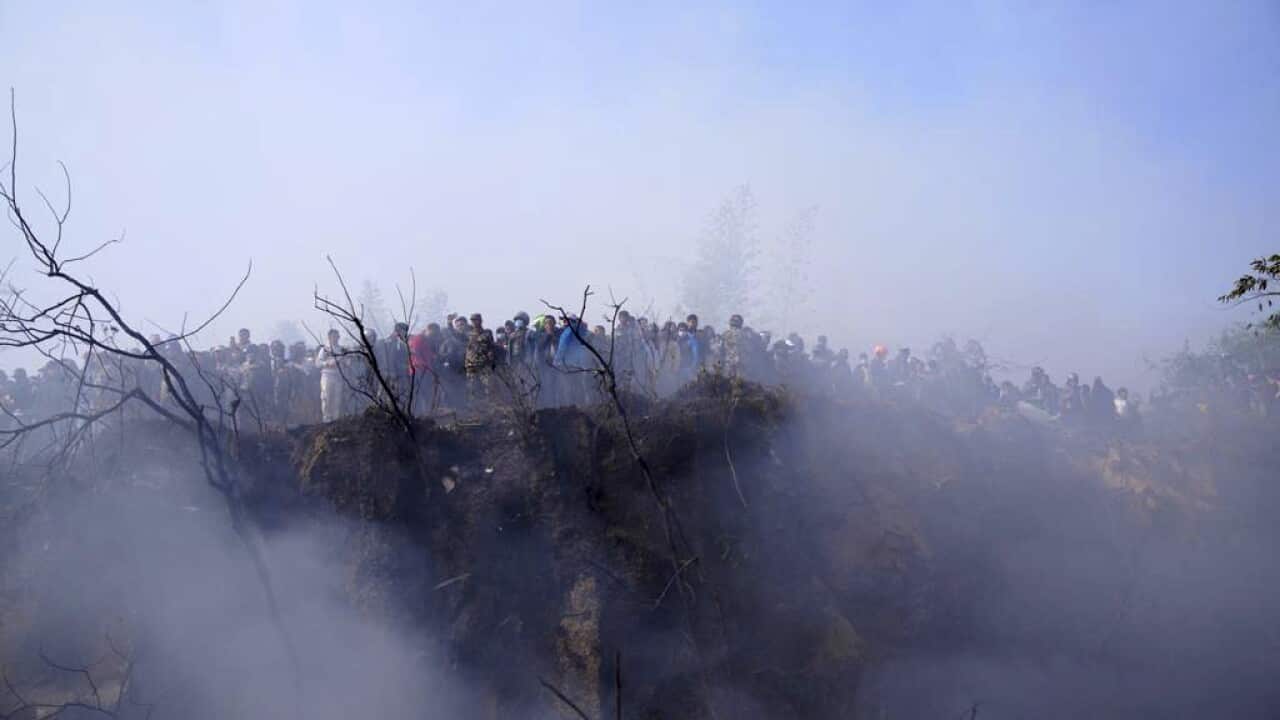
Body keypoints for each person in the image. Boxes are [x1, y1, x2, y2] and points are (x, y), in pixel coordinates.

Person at [464, 313, 497, 405]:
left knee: (489, 385)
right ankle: (473, 405)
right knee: (472, 386)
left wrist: (491, 359)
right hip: (471, 364)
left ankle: (490, 404)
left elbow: (491, 347)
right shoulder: (468, 334)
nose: (474, 322)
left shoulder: (487, 333)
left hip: (484, 363)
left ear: (480, 321)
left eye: (476, 320)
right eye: (472, 320)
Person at [316, 329, 346, 422]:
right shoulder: (325, 350)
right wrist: (327, 364)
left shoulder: (341, 349)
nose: (335, 338)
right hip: (327, 376)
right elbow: (318, 363)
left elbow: (346, 362)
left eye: (337, 336)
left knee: (337, 399)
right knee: (326, 397)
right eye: (333, 336)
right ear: (329, 337)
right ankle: (326, 418)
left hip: (338, 376)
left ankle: (336, 418)